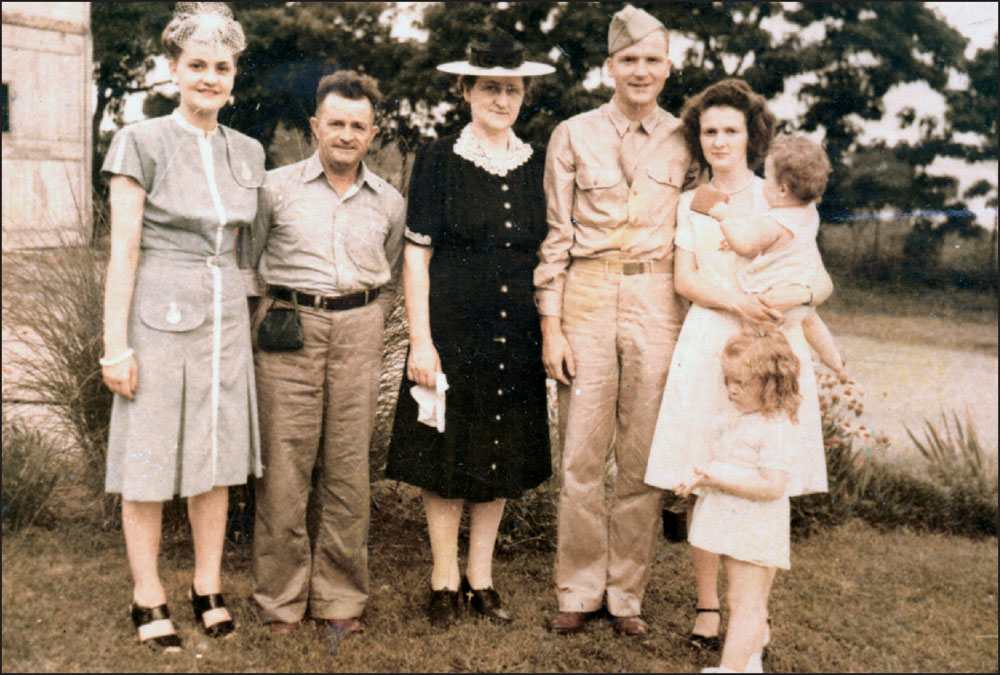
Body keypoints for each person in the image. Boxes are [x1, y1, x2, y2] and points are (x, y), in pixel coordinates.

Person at [643, 78, 834, 652]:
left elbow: (819, 278)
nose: (720, 141)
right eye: (709, 131)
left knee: (762, 474)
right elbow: (685, 280)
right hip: (710, 341)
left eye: (731, 130)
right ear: (697, 139)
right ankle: (707, 605)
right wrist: (736, 302)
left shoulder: (779, 195)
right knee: (706, 468)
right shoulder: (689, 202)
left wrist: (794, 301)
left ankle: (753, 611)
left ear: (751, 136)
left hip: (770, 344)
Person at [100, 2, 262, 651]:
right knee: (148, 453)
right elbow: (124, 250)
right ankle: (147, 591)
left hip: (226, 318)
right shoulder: (139, 141)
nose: (209, 77)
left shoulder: (246, 150)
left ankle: (206, 582)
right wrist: (115, 346)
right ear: (173, 69)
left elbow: (254, 247)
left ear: (233, 76)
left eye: (221, 67)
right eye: (197, 64)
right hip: (158, 316)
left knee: (215, 456)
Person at [385, 27, 555, 628]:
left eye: (512, 89)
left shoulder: (537, 165)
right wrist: (421, 341)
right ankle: (442, 577)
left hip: (516, 334)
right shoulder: (438, 160)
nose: (501, 100)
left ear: (524, 95)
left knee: (501, 452)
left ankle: (481, 577)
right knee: (446, 453)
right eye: (489, 88)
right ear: (466, 90)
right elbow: (416, 256)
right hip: (453, 335)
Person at [534, 5, 694, 636]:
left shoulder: (688, 137)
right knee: (580, 452)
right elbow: (554, 239)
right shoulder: (572, 134)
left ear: (668, 67)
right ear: (609, 67)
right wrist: (552, 326)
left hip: (659, 300)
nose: (640, 71)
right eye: (628, 60)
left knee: (641, 454)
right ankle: (577, 589)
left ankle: (626, 593)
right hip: (588, 293)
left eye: (652, 60)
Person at [249, 70, 405, 636]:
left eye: (357, 126)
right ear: (315, 125)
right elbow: (252, 260)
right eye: (335, 123)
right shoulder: (274, 188)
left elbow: (389, 278)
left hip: (359, 332)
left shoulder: (389, 201)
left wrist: (367, 320)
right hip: (288, 331)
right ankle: (280, 601)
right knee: (284, 469)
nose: (345, 135)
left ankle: (339, 599)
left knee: (347, 469)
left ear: (374, 133)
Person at [675, 327, 803, 674]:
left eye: (740, 383)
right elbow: (730, 461)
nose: (730, 390)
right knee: (743, 599)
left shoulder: (773, 428)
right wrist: (703, 475)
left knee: (745, 602)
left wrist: (716, 477)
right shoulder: (743, 418)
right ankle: (749, 662)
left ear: (771, 386)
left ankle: (730, 669)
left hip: (754, 523)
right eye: (727, 380)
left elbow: (773, 486)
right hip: (736, 520)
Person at [706, 135, 845, 372]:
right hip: (797, 295)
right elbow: (776, 247)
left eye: (768, 178)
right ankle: (833, 359)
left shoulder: (775, 221)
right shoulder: (810, 212)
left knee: (754, 340)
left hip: (770, 299)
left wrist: (724, 218)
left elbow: (747, 246)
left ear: (782, 190)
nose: (764, 182)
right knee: (810, 321)